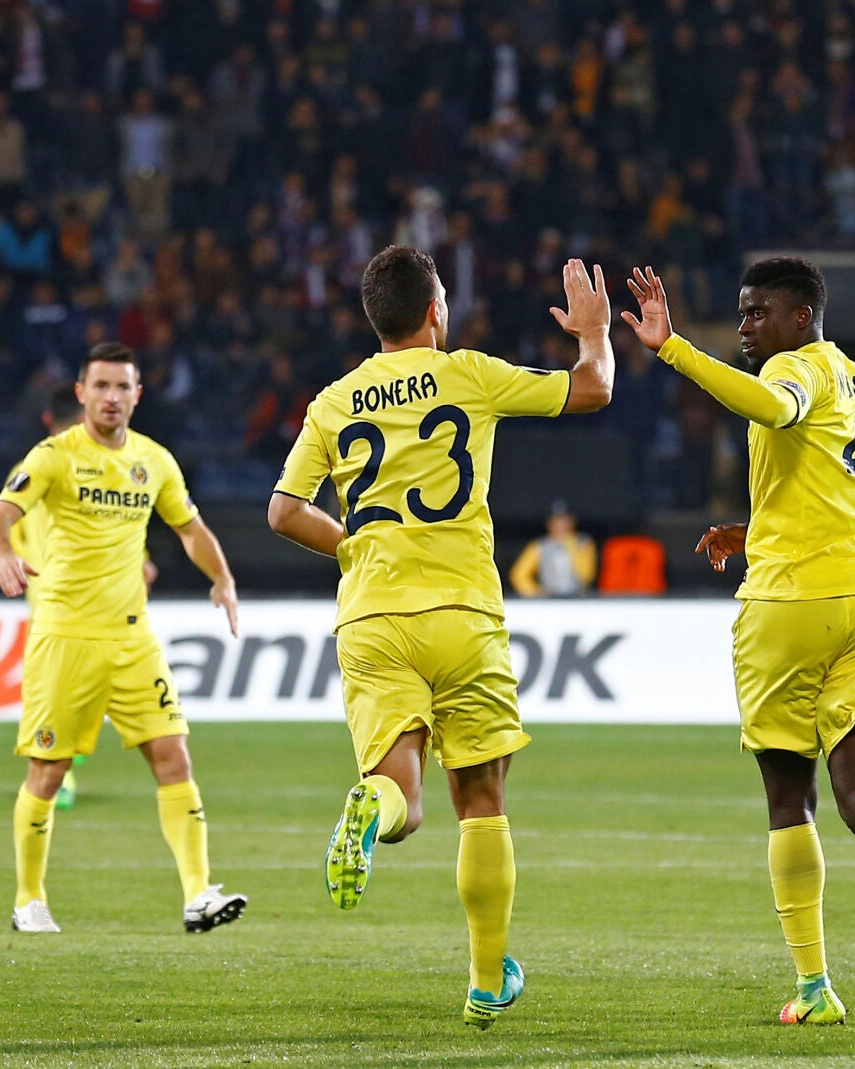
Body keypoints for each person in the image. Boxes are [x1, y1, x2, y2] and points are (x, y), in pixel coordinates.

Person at [268, 247, 614, 1028]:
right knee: (481, 800)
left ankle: (375, 806)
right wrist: (593, 332)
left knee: (404, 794)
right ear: (434, 311)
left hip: (372, 617)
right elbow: (594, 387)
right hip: (462, 611)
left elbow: (284, 510)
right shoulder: (468, 374)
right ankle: (487, 981)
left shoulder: (333, 401)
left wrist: (354, 545)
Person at [622, 257, 855, 1025]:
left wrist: (674, 348)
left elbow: (775, 408)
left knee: (789, 798)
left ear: (802, 316)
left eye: (759, 312)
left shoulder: (795, 370)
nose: (746, 327)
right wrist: (757, 529)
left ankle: (814, 987)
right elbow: (831, 491)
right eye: (742, 313)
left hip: (790, 604)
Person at [0, 342, 246, 936]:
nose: (111, 397)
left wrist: (223, 578)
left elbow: (191, 529)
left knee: (174, 754)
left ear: (137, 395)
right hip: (66, 636)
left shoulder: (155, 460)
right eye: (100, 386)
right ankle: (29, 900)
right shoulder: (53, 456)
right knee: (49, 771)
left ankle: (199, 894)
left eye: (122, 386)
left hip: (133, 639)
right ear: (81, 394)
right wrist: (2, 553)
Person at [6, 385, 162, 810]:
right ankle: (59, 770)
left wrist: (18, 564)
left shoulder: (28, 468)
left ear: (47, 419)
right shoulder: (81, 466)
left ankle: (60, 763)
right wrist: (141, 563)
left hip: (55, 598)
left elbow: (12, 534)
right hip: (77, 598)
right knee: (66, 690)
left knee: (66, 690)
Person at [508, 500, 597, 597]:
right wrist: (534, 591)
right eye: (556, 520)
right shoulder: (539, 545)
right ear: (549, 523)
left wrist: (570, 545)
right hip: (549, 598)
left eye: (565, 520)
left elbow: (586, 575)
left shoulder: (583, 543)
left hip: (577, 597)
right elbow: (518, 574)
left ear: (572, 521)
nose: (560, 525)